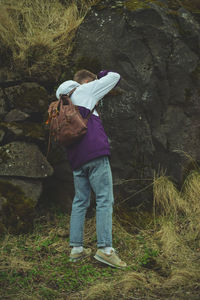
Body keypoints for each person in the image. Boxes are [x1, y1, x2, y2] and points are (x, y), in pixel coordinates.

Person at [56, 69, 126, 268]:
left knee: (80, 201)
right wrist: (101, 74)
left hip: (76, 159)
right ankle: (105, 250)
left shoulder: (62, 102)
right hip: (95, 154)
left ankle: (76, 249)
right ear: (86, 81)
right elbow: (115, 77)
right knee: (105, 199)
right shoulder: (86, 90)